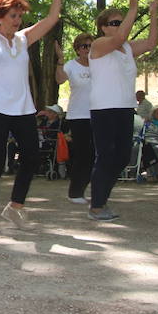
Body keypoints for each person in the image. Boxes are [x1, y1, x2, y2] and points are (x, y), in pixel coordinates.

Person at [0, 0, 76, 232]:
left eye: (20, 16)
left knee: (32, 154)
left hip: (22, 108)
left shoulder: (24, 38)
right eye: (13, 15)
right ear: (0, 16)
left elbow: (53, 18)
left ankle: (15, 208)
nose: (18, 20)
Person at [87, 0, 158, 221]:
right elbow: (119, 38)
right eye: (114, 22)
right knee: (106, 156)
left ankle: (101, 198)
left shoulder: (127, 48)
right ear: (103, 27)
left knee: (120, 157)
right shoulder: (99, 44)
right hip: (104, 108)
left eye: (121, 22)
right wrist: (132, 9)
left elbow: (151, 42)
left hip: (125, 107)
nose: (119, 26)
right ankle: (97, 206)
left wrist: (154, 14)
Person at [55, 34, 94, 204]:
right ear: (77, 49)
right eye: (84, 46)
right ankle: (75, 192)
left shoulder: (99, 64)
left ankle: (89, 189)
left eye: (90, 46)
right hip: (79, 116)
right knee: (83, 155)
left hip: (99, 114)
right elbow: (59, 79)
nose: (87, 49)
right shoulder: (71, 65)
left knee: (96, 155)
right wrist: (61, 60)